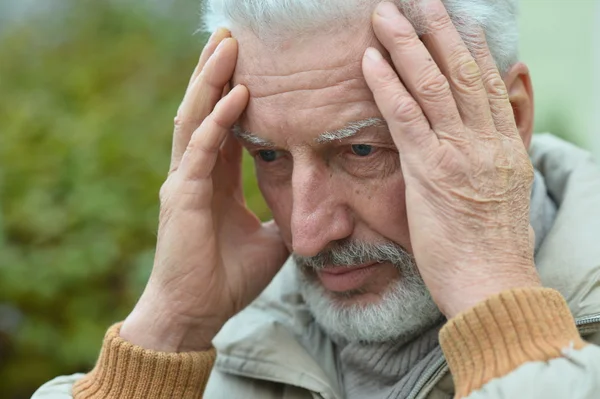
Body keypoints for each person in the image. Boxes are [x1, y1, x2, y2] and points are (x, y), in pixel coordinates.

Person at [33, 0, 600, 398]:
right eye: (269, 157)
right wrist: (166, 334)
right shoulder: (220, 352)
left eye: (360, 150)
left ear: (513, 119)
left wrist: (496, 302)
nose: (306, 233)